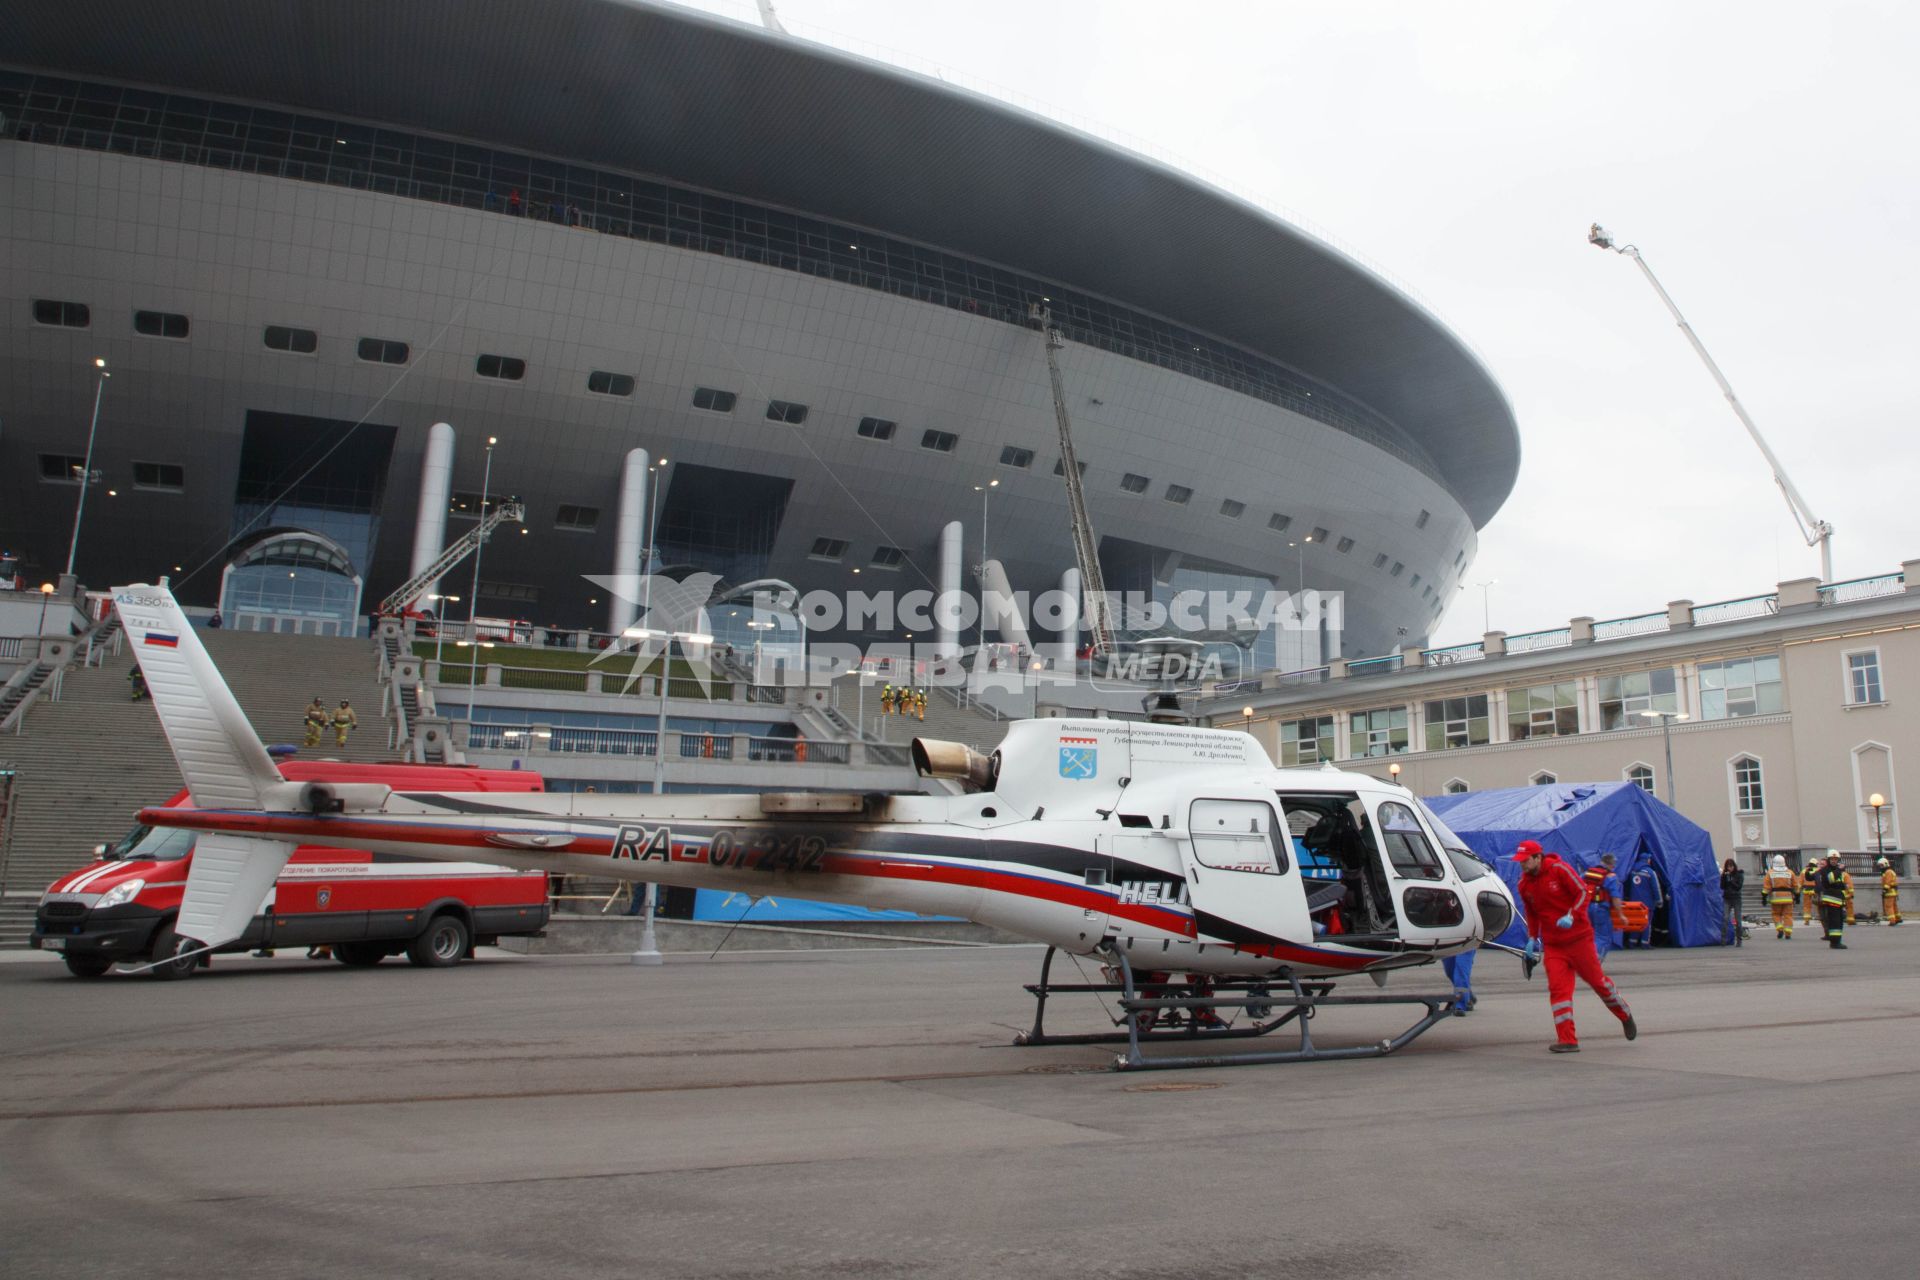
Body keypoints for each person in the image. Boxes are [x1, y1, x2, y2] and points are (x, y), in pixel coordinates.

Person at [1513, 838, 1636, 1054]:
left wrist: (1571, 915)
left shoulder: (1560, 870)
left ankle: (1624, 1014)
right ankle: (1567, 1040)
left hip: (1579, 940)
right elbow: (1532, 913)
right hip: (1553, 946)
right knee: (1558, 990)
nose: (1522, 864)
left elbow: (1582, 893)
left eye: (1525, 860)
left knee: (1599, 984)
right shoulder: (1524, 885)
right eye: (1520, 861)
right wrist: (1532, 938)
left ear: (1538, 857)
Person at [1583, 853, 1625, 961]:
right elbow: (1615, 897)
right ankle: (1593, 962)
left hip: (1586, 908)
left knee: (1589, 935)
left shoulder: (1588, 873)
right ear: (1611, 865)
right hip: (1601, 909)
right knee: (1602, 937)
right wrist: (1621, 915)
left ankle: (1582, 959)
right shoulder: (1610, 877)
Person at [1624, 856, 1664, 947]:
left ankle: (1632, 942)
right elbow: (1656, 888)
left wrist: (1627, 897)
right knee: (1647, 922)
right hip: (1647, 903)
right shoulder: (1650, 872)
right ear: (1648, 860)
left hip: (1634, 902)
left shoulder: (1632, 871)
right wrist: (1659, 901)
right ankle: (1645, 943)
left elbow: (1627, 886)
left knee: (1635, 922)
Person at [1816, 848, 1850, 949]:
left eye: (1836, 859)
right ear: (1828, 860)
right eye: (1832, 859)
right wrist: (1839, 870)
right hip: (1831, 899)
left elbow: (1837, 883)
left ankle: (1837, 941)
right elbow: (1830, 880)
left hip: (1838, 899)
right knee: (1834, 921)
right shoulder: (1825, 870)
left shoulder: (1836, 870)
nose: (1834, 861)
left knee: (1839, 921)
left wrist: (1843, 886)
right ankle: (1834, 943)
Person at [1762, 854, 1799, 939]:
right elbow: (1796, 886)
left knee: (1776, 914)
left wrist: (1764, 897)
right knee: (1788, 915)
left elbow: (1766, 887)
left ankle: (1780, 929)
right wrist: (1797, 896)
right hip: (1788, 898)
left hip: (1775, 898)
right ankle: (1788, 933)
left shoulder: (1770, 873)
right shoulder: (1790, 872)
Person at [1719, 858, 1747, 946]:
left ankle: (1739, 939)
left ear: (1734, 866)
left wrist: (1731, 880)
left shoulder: (1739, 875)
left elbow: (1738, 887)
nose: (1729, 869)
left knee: (1738, 920)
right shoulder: (1725, 875)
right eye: (1728, 867)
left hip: (1736, 898)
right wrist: (1724, 877)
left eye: (1731, 866)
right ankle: (1723, 939)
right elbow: (1722, 887)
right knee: (1725, 918)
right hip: (1727, 898)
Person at [1440, 949, 1476, 1014]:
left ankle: (1459, 1004)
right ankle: (1468, 995)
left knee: (1461, 971)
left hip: (1467, 943)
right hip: (1448, 943)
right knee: (1450, 970)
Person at [1879, 858, 1902, 926]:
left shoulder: (1888, 872)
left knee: (1888, 906)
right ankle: (1898, 918)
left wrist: (1884, 890)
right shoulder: (1890, 871)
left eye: (1881, 865)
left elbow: (1887, 882)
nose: (1880, 867)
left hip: (1889, 892)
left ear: (1885, 864)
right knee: (1894, 906)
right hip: (1893, 892)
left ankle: (1892, 921)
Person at [1800, 856, 1820, 926]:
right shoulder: (1818, 870)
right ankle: (1820, 917)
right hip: (1815, 890)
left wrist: (1799, 890)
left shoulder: (1804, 871)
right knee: (1818, 904)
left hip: (1806, 890)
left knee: (1807, 906)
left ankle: (1807, 920)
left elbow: (1800, 882)